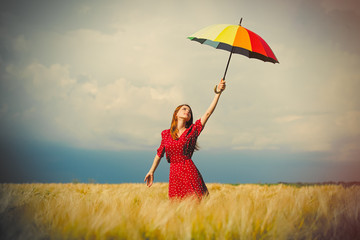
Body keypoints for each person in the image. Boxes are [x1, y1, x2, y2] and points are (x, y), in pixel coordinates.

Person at [144, 78, 226, 200]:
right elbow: (159, 154)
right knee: (177, 209)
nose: (187, 111)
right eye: (184, 109)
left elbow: (208, 113)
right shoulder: (166, 134)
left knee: (197, 204)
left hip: (189, 171)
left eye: (189, 111)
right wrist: (151, 171)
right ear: (176, 114)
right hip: (174, 176)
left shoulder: (192, 131)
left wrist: (218, 92)